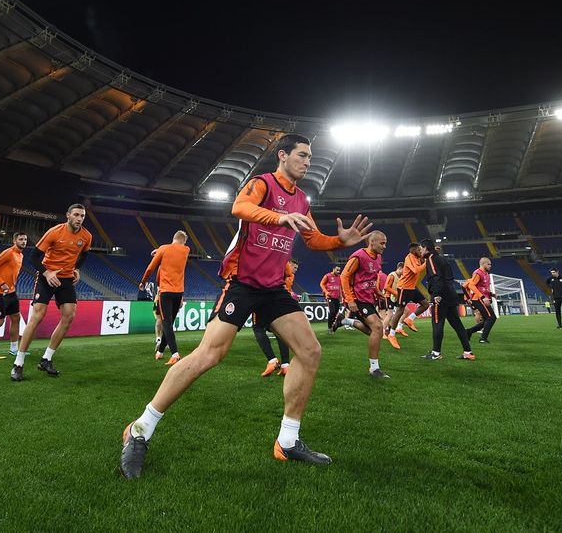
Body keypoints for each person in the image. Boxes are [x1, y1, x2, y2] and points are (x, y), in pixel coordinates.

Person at [119, 134, 372, 479]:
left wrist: (339, 241)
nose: (308, 162)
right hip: (243, 283)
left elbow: (313, 239)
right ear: (282, 155)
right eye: (302, 155)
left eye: (310, 157)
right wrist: (279, 219)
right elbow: (239, 207)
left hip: (274, 288)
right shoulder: (262, 183)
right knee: (209, 355)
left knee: (310, 351)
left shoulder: (301, 200)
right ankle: (140, 429)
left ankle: (288, 441)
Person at [12, 204, 92, 381]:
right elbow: (34, 257)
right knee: (37, 317)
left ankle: (46, 359)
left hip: (66, 279)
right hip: (46, 277)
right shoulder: (54, 232)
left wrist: (77, 268)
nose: (79, 219)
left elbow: (85, 254)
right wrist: (47, 273)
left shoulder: (86, 236)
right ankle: (18, 363)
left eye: (82, 216)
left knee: (69, 316)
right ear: (68, 215)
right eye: (76, 215)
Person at [336, 231, 390, 377]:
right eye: (382, 243)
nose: (384, 246)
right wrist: (350, 299)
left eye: (385, 243)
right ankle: (374, 369)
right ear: (372, 242)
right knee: (377, 328)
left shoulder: (378, 257)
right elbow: (344, 276)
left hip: (369, 298)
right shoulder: (359, 256)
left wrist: (377, 291)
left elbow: (373, 277)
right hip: (358, 298)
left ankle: (345, 321)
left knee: (374, 332)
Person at [141, 230, 191, 365]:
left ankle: (175, 354)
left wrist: (143, 281)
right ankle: (160, 351)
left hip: (165, 292)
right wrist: (160, 250)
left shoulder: (164, 249)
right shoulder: (186, 250)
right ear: (183, 241)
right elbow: (176, 249)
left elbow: (151, 267)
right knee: (169, 323)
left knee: (166, 323)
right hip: (178, 293)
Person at [419, 238, 473, 360]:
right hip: (451, 294)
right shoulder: (442, 259)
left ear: (426, 248)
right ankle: (468, 352)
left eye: (421, 248)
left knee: (437, 324)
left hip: (440, 296)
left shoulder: (431, 259)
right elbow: (448, 277)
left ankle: (436, 353)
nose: (420, 251)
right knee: (458, 325)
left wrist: (437, 294)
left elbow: (436, 276)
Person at [256, 258, 299, 377]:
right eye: (294, 267)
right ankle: (285, 365)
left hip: (265, 298)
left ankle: (272, 361)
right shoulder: (286, 271)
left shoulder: (278, 269)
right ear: (288, 264)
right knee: (280, 331)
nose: (295, 270)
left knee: (258, 328)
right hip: (279, 301)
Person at [385, 243, 429, 349]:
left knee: (425, 304)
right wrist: (426, 263)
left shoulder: (417, 258)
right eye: (419, 250)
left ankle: (409, 319)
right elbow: (416, 270)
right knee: (400, 311)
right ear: (413, 250)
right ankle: (391, 334)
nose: (420, 251)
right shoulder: (409, 258)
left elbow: (424, 257)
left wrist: (431, 252)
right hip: (404, 288)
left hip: (411, 288)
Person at [463, 257, 496, 344]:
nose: (490, 266)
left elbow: (483, 288)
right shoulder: (478, 273)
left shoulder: (486, 274)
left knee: (488, 319)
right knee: (491, 318)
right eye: (488, 264)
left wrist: (491, 294)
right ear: (483, 264)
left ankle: (468, 332)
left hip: (482, 298)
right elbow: (471, 285)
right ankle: (483, 338)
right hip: (478, 299)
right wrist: (482, 297)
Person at [383, 262, 408, 338]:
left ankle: (399, 328)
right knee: (390, 314)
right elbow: (386, 287)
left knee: (406, 311)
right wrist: (396, 293)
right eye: (404, 269)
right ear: (400, 268)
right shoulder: (392, 275)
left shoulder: (401, 276)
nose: (405, 271)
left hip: (396, 297)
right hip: (388, 296)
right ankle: (382, 332)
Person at [321, 266, 342, 333]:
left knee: (336, 313)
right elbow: (321, 284)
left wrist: (341, 295)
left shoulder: (339, 277)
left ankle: (333, 327)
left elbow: (340, 287)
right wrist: (326, 292)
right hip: (330, 297)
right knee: (332, 312)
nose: (338, 271)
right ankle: (329, 328)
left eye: (339, 270)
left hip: (337, 297)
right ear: (333, 269)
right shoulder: (327, 276)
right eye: (337, 270)